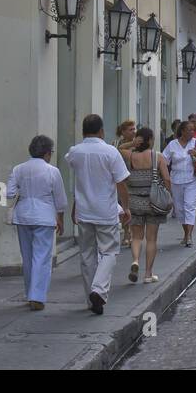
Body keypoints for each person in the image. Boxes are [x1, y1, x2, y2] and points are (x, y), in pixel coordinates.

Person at [65, 114, 131, 315]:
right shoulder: (110, 152)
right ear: (101, 131)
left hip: (84, 211)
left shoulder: (75, 152)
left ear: (83, 131)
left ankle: (90, 299)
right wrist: (126, 208)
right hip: (106, 211)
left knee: (87, 255)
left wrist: (75, 206)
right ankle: (99, 289)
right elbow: (121, 183)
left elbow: (81, 180)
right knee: (109, 252)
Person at [7, 135, 68, 311]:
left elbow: (10, 193)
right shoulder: (52, 171)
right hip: (44, 216)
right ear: (48, 153)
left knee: (27, 257)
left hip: (23, 215)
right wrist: (60, 219)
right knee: (42, 257)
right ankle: (37, 296)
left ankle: (29, 293)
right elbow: (60, 199)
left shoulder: (18, 169)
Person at [120, 127, 170, 284]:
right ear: (150, 140)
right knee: (151, 239)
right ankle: (148, 274)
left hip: (135, 202)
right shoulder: (158, 157)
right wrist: (169, 195)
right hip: (153, 202)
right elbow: (167, 179)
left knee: (136, 237)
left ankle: (135, 261)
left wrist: (131, 143)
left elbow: (119, 148)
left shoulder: (130, 156)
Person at [162, 119, 196, 247]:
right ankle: (185, 233)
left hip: (192, 179)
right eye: (189, 129)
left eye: (194, 129)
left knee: (190, 205)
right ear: (182, 131)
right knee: (180, 208)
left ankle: (189, 236)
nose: (192, 132)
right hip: (176, 180)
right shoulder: (172, 144)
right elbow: (164, 160)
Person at [115, 120, 137, 247]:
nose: (133, 131)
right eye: (130, 129)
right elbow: (115, 154)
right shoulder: (116, 143)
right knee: (123, 208)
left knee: (133, 208)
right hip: (121, 181)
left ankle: (132, 234)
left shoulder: (138, 144)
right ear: (123, 132)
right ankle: (126, 232)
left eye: (134, 129)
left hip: (134, 179)